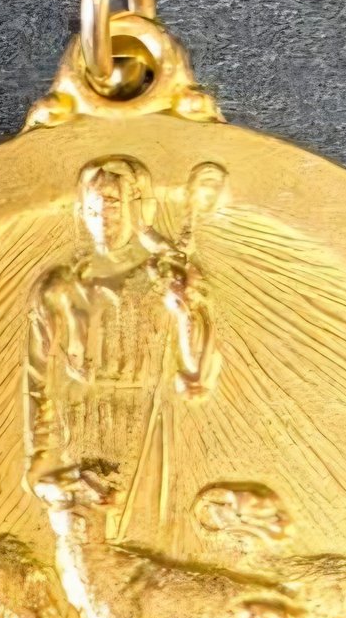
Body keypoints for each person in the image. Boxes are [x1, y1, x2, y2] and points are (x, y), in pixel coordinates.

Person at [24, 156, 224, 541]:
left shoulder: (161, 277)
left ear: (137, 208)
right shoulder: (58, 286)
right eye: (93, 209)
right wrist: (39, 452)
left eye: (113, 205)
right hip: (78, 428)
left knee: (144, 542)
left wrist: (184, 306)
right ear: (81, 212)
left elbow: (196, 375)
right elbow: (37, 377)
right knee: (87, 543)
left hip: (145, 423)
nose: (103, 218)